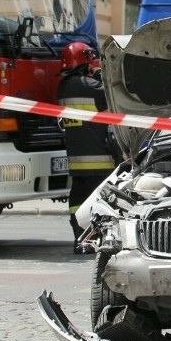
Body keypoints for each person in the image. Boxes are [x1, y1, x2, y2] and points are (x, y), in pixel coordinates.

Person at [57, 41, 119, 253]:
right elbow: (111, 94)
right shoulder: (88, 85)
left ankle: (80, 240)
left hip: (77, 160)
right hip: (99, 160)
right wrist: (103, 73)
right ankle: (97, 241)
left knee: (77, 202)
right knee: (101, 203)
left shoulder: (64, 86)